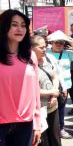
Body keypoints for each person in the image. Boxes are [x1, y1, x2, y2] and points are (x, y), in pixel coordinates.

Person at [0, 9, 41, 146]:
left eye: (23, 25)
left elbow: (35, 92)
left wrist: (37, 123)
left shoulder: (31, 56)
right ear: (4, 26)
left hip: (25, 124)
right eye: (14, 24)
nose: (20, 29)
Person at [47, 30, 73, 139]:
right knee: (49, 109)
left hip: (64, 87)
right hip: (50, 86)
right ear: (52, 43)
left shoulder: (67, 54)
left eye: (61, 43)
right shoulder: (47, 53)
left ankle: (61, 129)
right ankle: (49, 130)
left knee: (61, 109)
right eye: (56, 42)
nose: (58, 45)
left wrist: (71, 42)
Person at [31, 35, 62, 146]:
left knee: (55, 139)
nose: (45, 49)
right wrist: (52, 93)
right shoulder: (27, 64)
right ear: (31, 48)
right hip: (38, 110)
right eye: (41, 47)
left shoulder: (48, 59)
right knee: (43, 141)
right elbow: (31, 90)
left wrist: (54, 96)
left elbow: (55, 77)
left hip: (53, 106)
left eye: (45, 46)